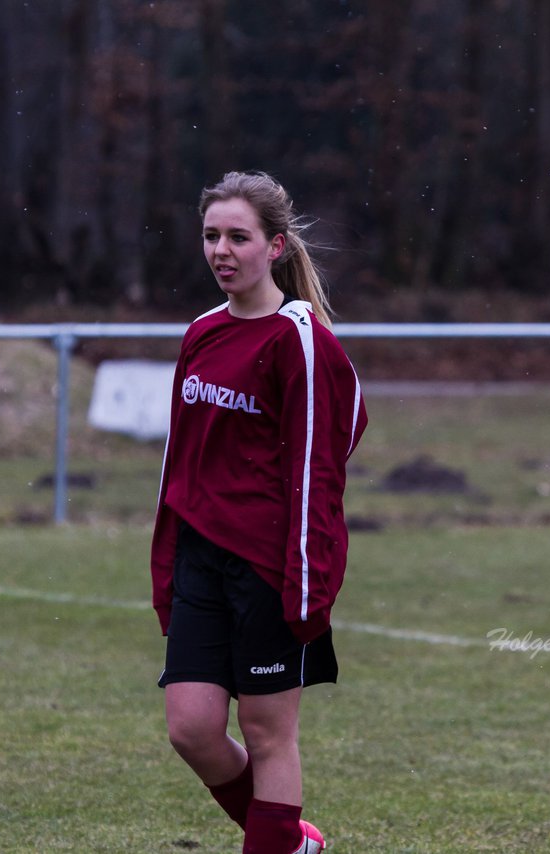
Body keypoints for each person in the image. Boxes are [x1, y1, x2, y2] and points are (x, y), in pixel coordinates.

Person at [150, 172, 368, 853]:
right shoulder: (202, 333)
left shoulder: (298, 337)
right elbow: (178, 462)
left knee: (269, 736)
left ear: (274, 247)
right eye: (211, 236)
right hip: (199, 559)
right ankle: (290, 843)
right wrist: (166, 558)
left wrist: (309, 574)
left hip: (272, 566)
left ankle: (276, 842)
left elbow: (327, 452)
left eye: (237, 237)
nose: (221, 250)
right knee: (191, 727)